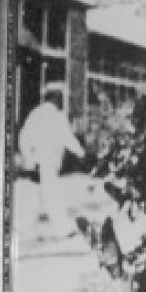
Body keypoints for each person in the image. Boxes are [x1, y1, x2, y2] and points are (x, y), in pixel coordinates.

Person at [18, 84, 86, 238]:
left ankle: (24, 228)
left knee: (35, 195)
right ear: (55, 97)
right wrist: (81, 153)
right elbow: (67, 138)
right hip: (48, 162)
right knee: (51, 195)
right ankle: (63, 229)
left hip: (35, 162)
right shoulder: (56, 115)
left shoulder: (35, 113)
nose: (63, 100)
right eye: (61, 97)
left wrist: (28, 156)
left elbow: (23, 136)